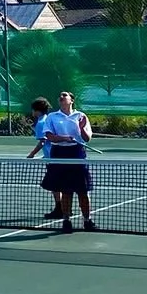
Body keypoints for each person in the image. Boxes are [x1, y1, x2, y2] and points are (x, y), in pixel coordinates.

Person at [27, 91, 96, 233]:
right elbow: (49, 136)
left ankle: (87, 220)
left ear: (71, 100)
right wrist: (64, 138)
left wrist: (82, 128)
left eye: (65, 95)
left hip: (77, 153)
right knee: (65, 191)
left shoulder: (81, 116)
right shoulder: (52, 117)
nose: (62, 96)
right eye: (60, 96)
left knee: (83, 191)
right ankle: (66, 220)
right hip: (59, 154)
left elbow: (87, 138)